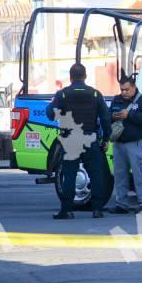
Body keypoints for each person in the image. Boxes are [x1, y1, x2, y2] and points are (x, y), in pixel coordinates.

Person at [46, 63, 110, 219]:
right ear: (85, 76)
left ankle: (67, 210)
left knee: (69, 175)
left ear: (70, 77)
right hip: (90, 138)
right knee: (96, 174)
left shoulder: (63, 94)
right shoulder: (95, 94)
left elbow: (50, 114)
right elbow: (106, 118)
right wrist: (105, 138)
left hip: (71, 139)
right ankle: (97, 210)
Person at [108, 71, 142, 214]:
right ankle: (121, 204)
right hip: (119, 143)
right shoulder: (117, 100)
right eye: (122, 89)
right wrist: (113, 116)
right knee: (120, 174)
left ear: (134, 87)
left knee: (139, 174)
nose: (124, 92)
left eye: (127, 89)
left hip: (135, 143)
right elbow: (108, 116)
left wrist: (129, 115)